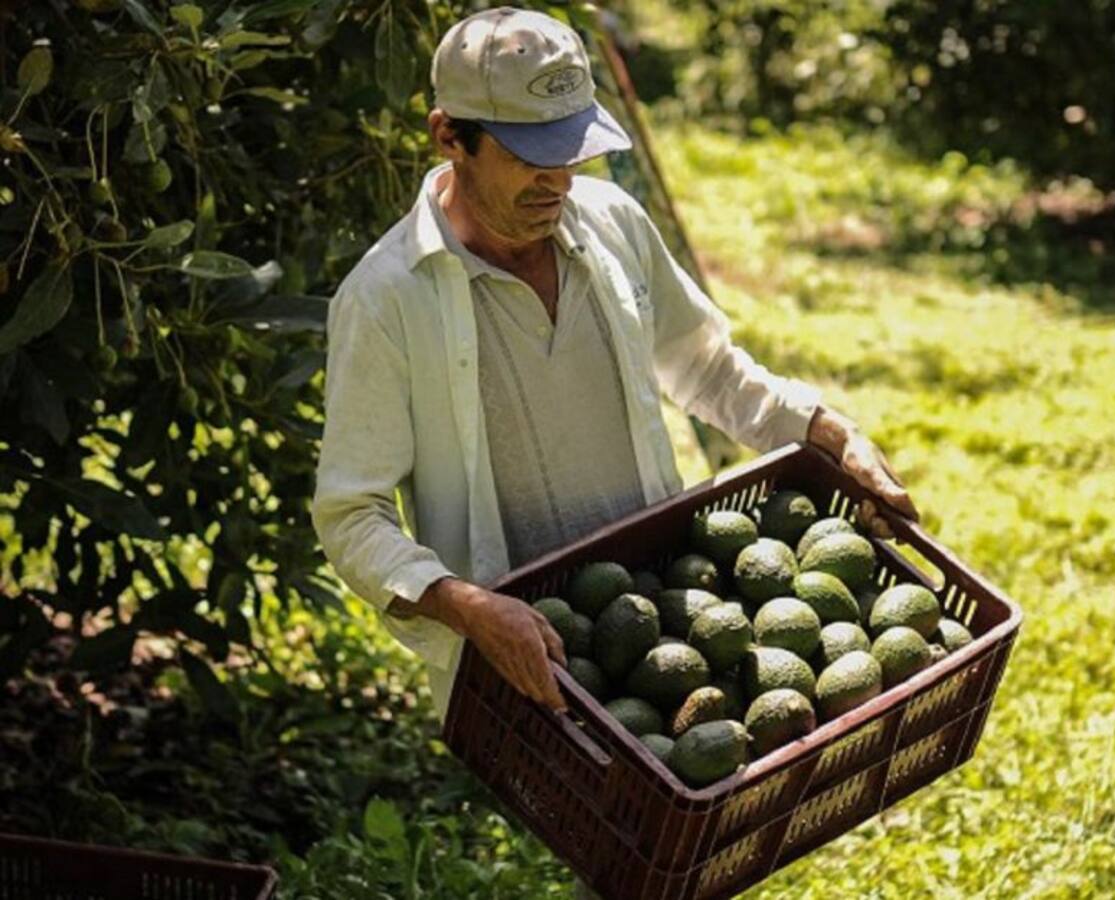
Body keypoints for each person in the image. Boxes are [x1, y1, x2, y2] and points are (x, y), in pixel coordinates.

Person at [311, 9, 918, 892]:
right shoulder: (386, 300)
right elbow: (350, 514)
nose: (557, 180)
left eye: (570, 150)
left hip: (663, 611)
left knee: (676, 860)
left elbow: (709, 370)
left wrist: (830, 432)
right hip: (534, 668)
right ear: (450, 136)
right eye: (528, 154)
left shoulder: (611, 224)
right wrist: (467, 606)